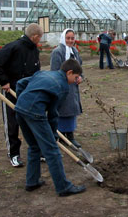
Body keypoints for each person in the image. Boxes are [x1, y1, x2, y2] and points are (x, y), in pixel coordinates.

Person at [15, 59, 86, 197]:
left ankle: (32, 181)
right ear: (69, 72)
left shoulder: (43, 73)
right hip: (35, 113)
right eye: (76, 77)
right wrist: (53, 135)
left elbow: (20, 83)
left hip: (20, 110)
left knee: (34, 147)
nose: (76, 80)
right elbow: (54, 114)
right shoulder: (63, 86)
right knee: (52, 150)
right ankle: (63, 187)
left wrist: (22, 100)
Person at [0, 23, 43, 167]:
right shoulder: (14, 47)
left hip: (28, 91)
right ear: (34, 36)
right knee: (12, 123)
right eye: (40, 37)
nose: (40, 40)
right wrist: (3, 81)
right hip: (11, 90)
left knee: (32, 120)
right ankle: (14, 154)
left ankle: (37, 151)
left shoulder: (34, 49)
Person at [50, 29, 83, 148]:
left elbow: (79, 68)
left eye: (72, 38)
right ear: (63, 38)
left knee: (71, 111)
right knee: (62, 111)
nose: (70, 40)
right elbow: (54, 70)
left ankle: (70, 135)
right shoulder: (57, 52)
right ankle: (60, 135)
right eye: (68, 38)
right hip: (62, 86)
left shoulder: (74, 51)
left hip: (73, 87)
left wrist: (80, 77)